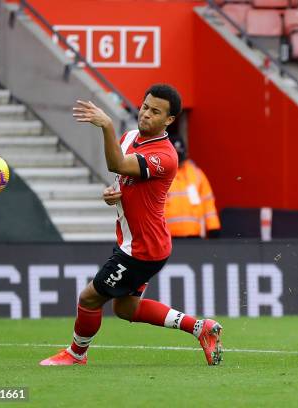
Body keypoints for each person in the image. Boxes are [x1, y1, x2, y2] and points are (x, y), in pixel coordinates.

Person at [39, 84, 223, 366]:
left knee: (89, 298)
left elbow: (116, 165)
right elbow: (122, 178)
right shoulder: (129, 137)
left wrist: (106, 125)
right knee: (125, 308)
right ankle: (200, 328)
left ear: (169, 120)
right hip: (139, 241)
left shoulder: (165, 156)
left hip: (142, 248)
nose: (146, 114)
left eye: (155, 112)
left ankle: (76, 355)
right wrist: (112, 195)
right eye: (145, 107)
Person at [165, 136, 221, 238]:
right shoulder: (161, 174)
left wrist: (213, 227)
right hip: (167, 237)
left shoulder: (196, 173)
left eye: (180, 156)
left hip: (194, 236)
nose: (178, 161)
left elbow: (208, 202)